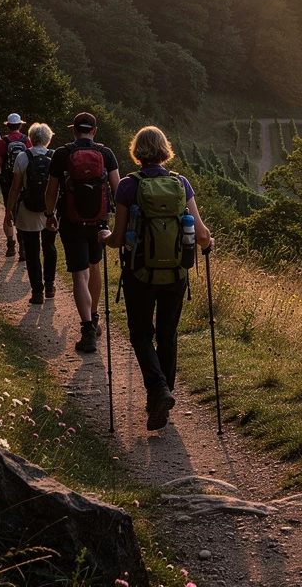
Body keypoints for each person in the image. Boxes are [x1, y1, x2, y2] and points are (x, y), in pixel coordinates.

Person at [102, 126, 211, 431]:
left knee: (140, 334)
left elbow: (119, 238)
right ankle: (161, 396)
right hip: (176, 273)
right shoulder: (181, 183)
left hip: (139, 272)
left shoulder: (127, 186)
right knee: (167, 334)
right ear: (165, 149)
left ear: (136, 151)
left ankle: (158, 390)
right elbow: (201, 234)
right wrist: (208, 244)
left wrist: (104, 236)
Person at [45, 112, 120, 353]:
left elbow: (52, 190)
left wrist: (49, 215)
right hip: (99, 222)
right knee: (94, 266)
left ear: (74, 131)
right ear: (94, 131)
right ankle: (95, 316)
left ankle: (87, 328)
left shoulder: (62, 154)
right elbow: (118, 191)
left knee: (79, 275)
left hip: (71, 221)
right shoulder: (106, 154)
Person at [3, 122, 58, 305]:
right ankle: (50, 285)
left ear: (31, 138)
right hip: (49, 209)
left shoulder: (22, 157)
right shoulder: (54, 156)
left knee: (32, 251)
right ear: (48, 139)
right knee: (49, 247)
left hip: (27, 210)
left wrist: (9, 209)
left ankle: (37, 292)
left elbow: (16, 187)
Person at [0, 113, 32, 258]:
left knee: (9, 211)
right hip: (23, 182)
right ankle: (23, 248)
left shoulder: (2, 142)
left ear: (8, 125)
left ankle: (11, 246)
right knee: (21, 213)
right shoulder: (26, 140)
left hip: (7, 183)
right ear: (20, 125)